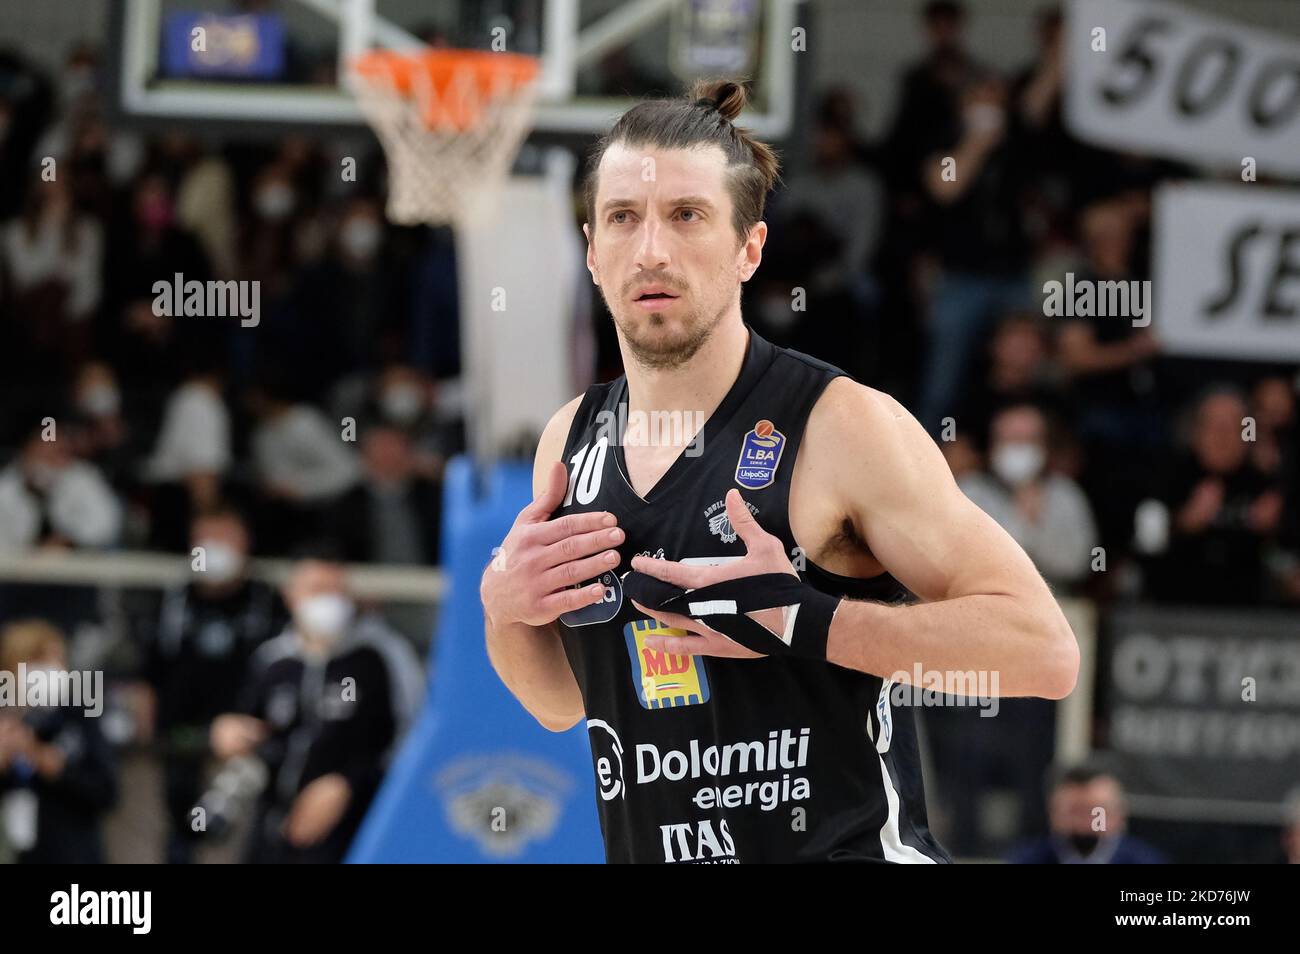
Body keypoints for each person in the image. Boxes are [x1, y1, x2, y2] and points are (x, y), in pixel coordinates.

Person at [481, 80, 1079, 864]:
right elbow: (562, 703)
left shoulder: (842, 425)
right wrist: (503, 606)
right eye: (624, 218)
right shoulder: (571, 440)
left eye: (687, 216)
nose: (652, 249)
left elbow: (1043, 651)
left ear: (748, 249)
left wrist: (806, 619)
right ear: (593, 251)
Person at [210, 560, 422, 863]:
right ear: (291, 596)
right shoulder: (272, 661)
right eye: (318, 590)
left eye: (338, 591)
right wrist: (225, 733)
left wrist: (347, 783)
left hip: (357, 828)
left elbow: (409, 738)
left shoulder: (377, 658)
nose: (330, 600)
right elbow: (246, 724)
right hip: (274, 826)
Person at [139, 506, 284, 863]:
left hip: (247, 744)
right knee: (182, 831)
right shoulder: (173, 600)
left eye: (224, 538)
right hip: (180, 740)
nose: (214, 548)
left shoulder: (267, 601)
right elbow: (148, 672)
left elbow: (285, 674)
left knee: (236, 836)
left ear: (245, 543)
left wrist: (259, 730)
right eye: (206, 539)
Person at [0, 619, 118, 863]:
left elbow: (107, 791)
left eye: (58, 660)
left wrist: (54, 766)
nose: (53, 670)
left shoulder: (78, 717)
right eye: (40, 661)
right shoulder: (6, 721)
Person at [1006, 761, 1165, 864]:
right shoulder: (1026, 859)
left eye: (1097, 813)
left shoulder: (1147, 861)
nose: (1085, 824)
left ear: (1119, 815)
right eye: (1074, 812)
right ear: (1053, 814)